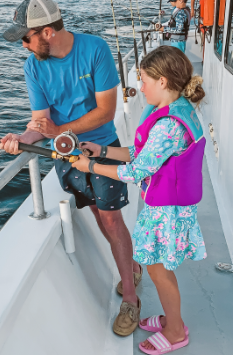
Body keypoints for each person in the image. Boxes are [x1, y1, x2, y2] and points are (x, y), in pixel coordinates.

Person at [0, 0, 142, 336]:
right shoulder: (33, 65)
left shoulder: (95, 50)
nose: (23, 44)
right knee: (96, 213)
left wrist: (59, 131)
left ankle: (132, 298)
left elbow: (106, 112)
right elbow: (40, 122)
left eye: (26, 37)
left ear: (47, 32)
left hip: (103, 148)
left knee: (111, 218)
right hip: (66, 157)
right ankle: (132, 266)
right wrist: (21, 139)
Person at [72, 46, 207, 353]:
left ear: (163, 81)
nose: (140, 87)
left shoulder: (168, 125)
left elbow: (136, 171)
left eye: (144, 79)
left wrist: (89, 166)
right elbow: (142, 155)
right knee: (159, 268)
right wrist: (102, 150)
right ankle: (171, 319)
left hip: (167, 210)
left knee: (159, 270)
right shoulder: (176, 109)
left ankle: (175, 331)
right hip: (168, 204)